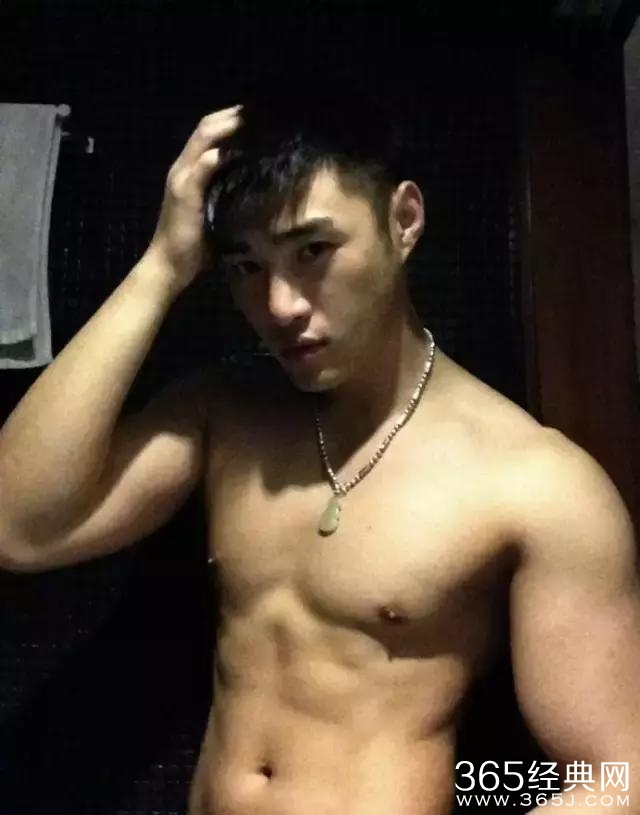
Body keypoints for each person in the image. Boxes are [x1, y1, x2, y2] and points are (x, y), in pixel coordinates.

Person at [0, 81, 639, 815]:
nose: (280, 305)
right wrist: (161, 267)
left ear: (403, 221)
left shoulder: (534, 483)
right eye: (246, 266)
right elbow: (18, 526)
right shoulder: (225, 417)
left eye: (313, 250)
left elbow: (619, 775)